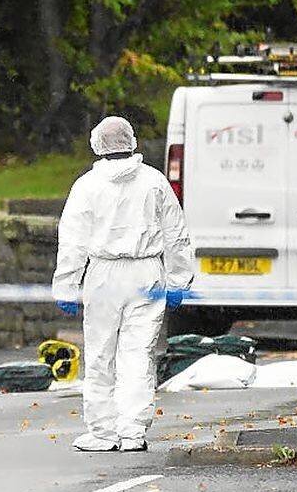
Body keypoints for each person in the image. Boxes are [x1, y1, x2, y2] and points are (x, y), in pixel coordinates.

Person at [52, 116, 192, 453]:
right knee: (138, 354)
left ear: (97, 144)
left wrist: (67, 286)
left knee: (101, 354)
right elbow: (176, 234)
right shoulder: (154, 182)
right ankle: (132, 432)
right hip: (147, 273)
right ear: (132, 142)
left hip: (103, 274)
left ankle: (102, 432)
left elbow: (72, 240)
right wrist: (178, 280)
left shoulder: (87, 185)